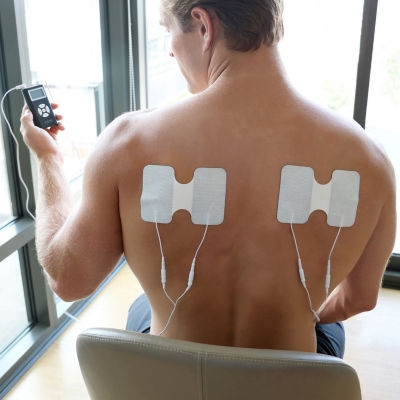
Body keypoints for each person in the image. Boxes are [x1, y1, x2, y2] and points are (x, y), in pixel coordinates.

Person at [20, 0, 396, 359]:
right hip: (290, 383)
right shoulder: (370, 159)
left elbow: (67, 280)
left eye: (167, 31)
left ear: (203, 26)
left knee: (144, 306)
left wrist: (48, 158)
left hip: (171, 379)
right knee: (324, 325)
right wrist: (301, 315)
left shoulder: (127, 142)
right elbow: (360, 298)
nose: (170, 51)